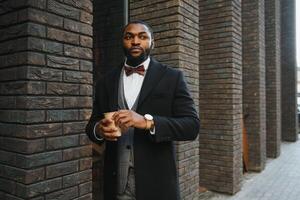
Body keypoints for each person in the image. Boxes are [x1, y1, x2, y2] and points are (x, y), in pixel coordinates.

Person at [86, 20, 200, 200]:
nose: (135, 41)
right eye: (129, 37)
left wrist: (147, 122)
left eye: (142, 36)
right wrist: (99, 129)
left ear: (152, 42)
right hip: (117, 184)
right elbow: (92, 125)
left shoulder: (172, 77)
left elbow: (192, 126)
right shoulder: (105, 82)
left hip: (157, 184)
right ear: (122, 42)